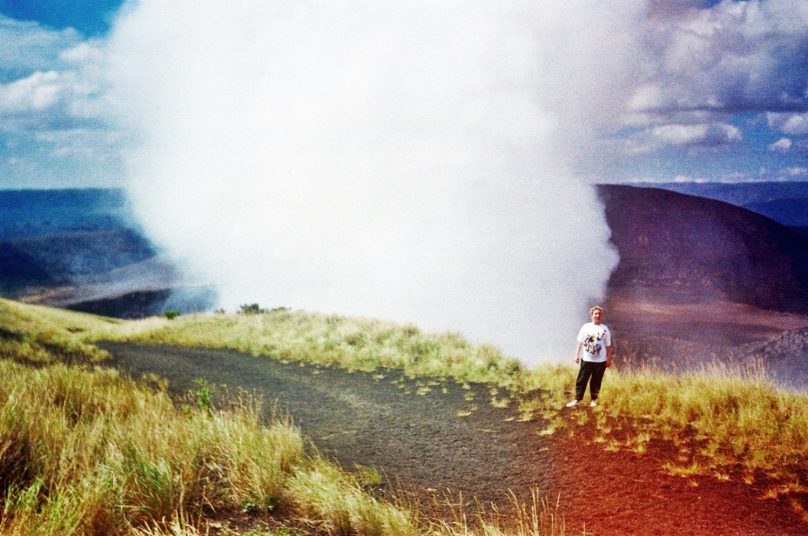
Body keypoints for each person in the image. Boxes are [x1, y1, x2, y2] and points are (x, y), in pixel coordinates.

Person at [566, 305, 613, 408]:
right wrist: (576, 355)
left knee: (596, 381)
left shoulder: (605, 329)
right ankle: (577, 399)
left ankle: (593, 400)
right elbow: (580, 341)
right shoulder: (586, 327)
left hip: (600, 361)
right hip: (586, 359)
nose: (598, 315)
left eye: (599, 314)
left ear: (602, 316)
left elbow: (608, 346)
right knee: (582, 379)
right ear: (592, 316)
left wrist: (609, 359)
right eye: (595, 313)